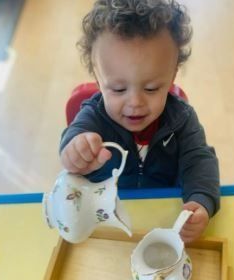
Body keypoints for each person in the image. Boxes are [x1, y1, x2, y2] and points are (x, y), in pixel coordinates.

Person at [59, 0, 220, 243]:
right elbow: (71, 140)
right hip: (106, 221)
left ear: (173, 74)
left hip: (165, 216)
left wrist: (201, 201)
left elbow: (199, 162)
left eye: (152, 88)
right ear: (97, 75)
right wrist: (76, 152)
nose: (135, 102)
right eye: (118, 88)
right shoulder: (94, 115)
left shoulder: (182, 119)